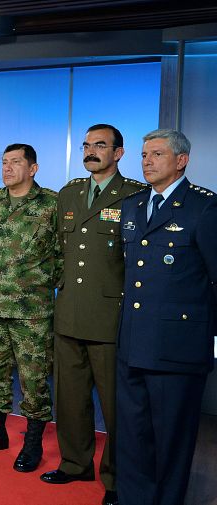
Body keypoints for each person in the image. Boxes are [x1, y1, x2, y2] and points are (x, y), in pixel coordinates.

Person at [41, 125, 145, 505]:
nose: (90, 151)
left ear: (118, 153)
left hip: (109, 317)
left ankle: (116, 478)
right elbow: (58, 248)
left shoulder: (135, 194)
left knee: (116, 406)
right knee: (69, 399)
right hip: (69, 312)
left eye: (100, 145)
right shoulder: (69, 193)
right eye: (87, 145)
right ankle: (75, 463)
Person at [117, 129, 217, 505]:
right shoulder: (132, 205)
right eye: (144, 154)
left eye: (157, 154)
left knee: (172, 440)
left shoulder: (204, 207)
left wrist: (208, 340)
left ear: (181, 160)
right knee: (132, 435)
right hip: (132, 343)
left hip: (177, 349)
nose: (147, 161)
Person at [0, 143, 61, 473]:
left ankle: (32, 443)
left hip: (32, 312)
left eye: (15, 162)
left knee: (34, 380)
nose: (7, 168)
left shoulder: (51, 204)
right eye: (4, 162)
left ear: (32, 169)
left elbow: (62, 253)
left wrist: (39, 282)